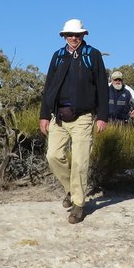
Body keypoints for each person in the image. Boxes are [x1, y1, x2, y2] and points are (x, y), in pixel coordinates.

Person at [39, 19, 109, 224]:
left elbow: (102, 87)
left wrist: (102, 116)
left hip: (83, 117)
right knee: (53, 156)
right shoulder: (58, 56)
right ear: (64, 36)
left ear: (83, 35)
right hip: (58, 117)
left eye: (77, 35)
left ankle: (78, 205)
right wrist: (44, 115)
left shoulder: (92, 55)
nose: (73, 38)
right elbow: (48, 86)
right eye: (70, 34)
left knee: (80, 162)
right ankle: (71, 189)